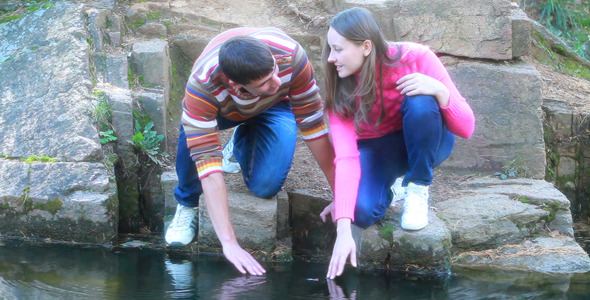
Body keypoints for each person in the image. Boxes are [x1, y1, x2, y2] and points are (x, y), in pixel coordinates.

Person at [318, 7, 475, 279]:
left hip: (427, 140)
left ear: (366, 46)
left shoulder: (416, 57)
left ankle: (417, 186)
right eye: (330, 49)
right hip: (379, 150)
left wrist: (440, 91)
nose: (331, 58)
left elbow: (467, 128)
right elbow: (345, 157)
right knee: (361, 213)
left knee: (421, 100)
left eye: (338, 49)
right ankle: (394, 187)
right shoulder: (340, 87)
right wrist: (344, 226)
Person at [165, 27, 335, 276]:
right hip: (224, 109)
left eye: (275, 72)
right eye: (265, 82)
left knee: (265, 185)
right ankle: (187, 201)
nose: (277, 83)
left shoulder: (290, 55)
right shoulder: (202, 85)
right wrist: (229, 244)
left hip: (275, 108)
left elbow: (315, 128)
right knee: (190, 134)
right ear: (236, 84)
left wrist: (339, 193)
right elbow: (209, 168)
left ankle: (241, 140)